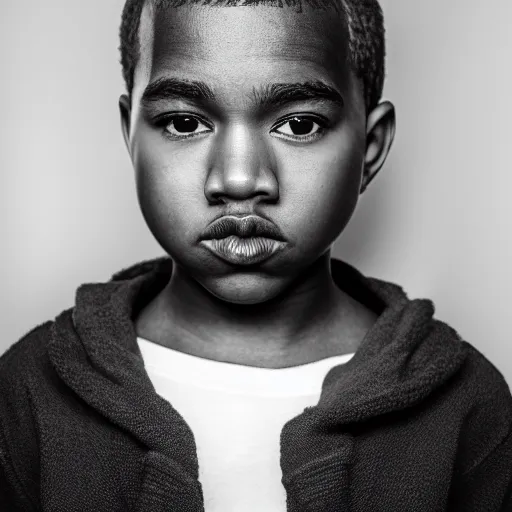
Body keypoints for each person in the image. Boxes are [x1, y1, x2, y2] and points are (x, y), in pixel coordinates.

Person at [1, 0, 511, 510]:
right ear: (129, 135)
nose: (239, 179)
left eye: (300, 125)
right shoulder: (26, 394)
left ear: (370, 148)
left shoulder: (470, 408)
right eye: (183, 123)